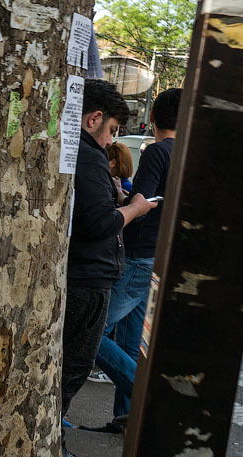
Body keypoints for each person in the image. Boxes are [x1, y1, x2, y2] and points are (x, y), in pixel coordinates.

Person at [62, 79, 157, 457]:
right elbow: (98, 223)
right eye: (113, 130)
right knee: (76, 363)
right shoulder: (88, 157)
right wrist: (134, 208)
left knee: (80, 359)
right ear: (94, 119)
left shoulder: (85, 155)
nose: (112, 139)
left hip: (93, 274)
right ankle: (54, 444)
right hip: (87, 277)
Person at [88, 88, 181, 433]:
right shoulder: (185, 154)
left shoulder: (157, 152)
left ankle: (143, 399)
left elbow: (143, 202)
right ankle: (125, 417)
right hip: (159, 256)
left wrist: (121, 198)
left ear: (153, 118)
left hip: (138, 253)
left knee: (92, 331)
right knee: (132, 341)